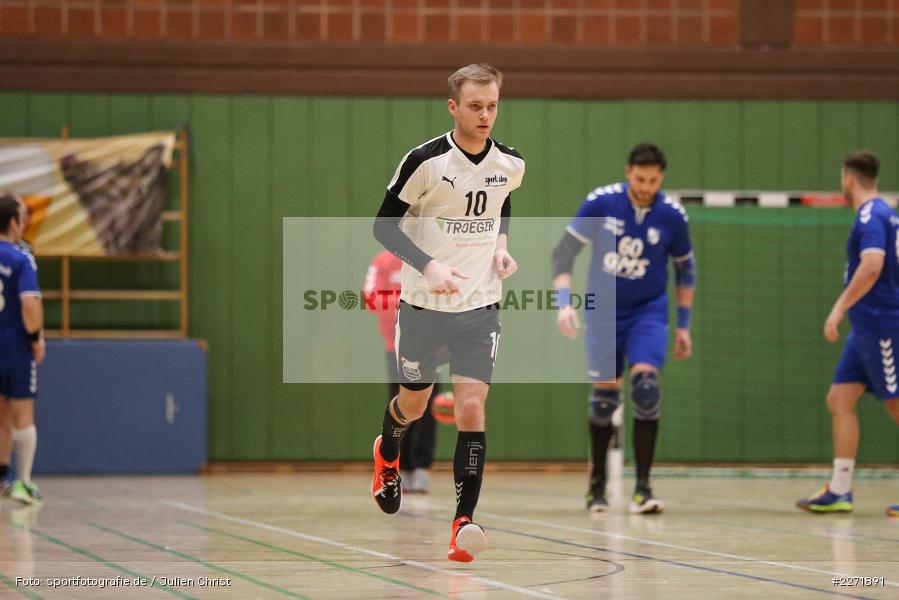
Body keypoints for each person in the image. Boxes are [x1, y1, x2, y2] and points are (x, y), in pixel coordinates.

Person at [369, 63, 525, 562]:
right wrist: (428, 264)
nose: (485, 115)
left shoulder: (511, 163)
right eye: (475, 106)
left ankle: (463, 522)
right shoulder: (426, 162)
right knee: (412, 406)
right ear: (453, 106)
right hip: (423, 307)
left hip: (479, 307)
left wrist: (501, 246)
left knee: (472, 408)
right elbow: (383, 228)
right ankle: (387, 452)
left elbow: (500, 201)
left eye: (492, 105)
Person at [552, 143, 694, 514]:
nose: (646, 186)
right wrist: (563, 303)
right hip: (604, 312)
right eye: (640, 178)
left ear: (661, 177)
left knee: (647, 389)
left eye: (654, 180)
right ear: (628, 171)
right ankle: (596, 485)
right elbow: (563, 253)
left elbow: (685, 270)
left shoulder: (672, 215)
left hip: (649, 312)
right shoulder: (602, 203)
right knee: (604, 399)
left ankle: (643, 488)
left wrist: (684, 326)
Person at [797, 151, 899, 516]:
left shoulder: (872, 215)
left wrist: (838, 308)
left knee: (896, 403)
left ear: (848, 179)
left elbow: (873, 265)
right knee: (840, 400)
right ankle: (840, 489)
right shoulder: (885, 212)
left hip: (883, 323)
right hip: (865, 326)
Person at [363, 250, 438, 493]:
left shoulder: (433, 258)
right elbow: (370, 298)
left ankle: (421, 468)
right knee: (400, 407)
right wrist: (409, 301)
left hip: (430, 345)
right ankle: (400, 468)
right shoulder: (383, 261)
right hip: (395, 346)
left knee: (429, 406)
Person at [0, 192, 45, 506]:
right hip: (15, 346)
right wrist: (36, 338)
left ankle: (6, 478)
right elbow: (30, 304)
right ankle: (23, 482)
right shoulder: (20, 258)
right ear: (15, 222)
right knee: (22, 415)